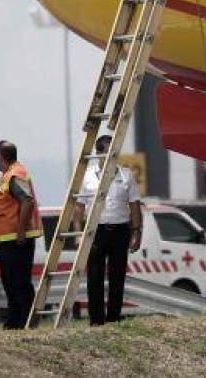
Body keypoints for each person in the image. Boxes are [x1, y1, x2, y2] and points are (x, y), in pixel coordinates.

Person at [73, 135, 142, 326]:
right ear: (98, 153)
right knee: (94, 276)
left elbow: (135, 205)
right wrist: (79, 234)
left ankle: (113, 319)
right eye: (106, 152)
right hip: (95, 232)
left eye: (113, 152)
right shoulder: (86, 177)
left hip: (120, 231)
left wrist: (136, 232)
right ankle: (96, 320)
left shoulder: (126, 174)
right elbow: (78, 208)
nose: (110, 156)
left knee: (117, 276)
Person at [0, 140, 41, 329]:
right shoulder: (8, 175)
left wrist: (20, 231)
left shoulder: (16, 174)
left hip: (16, 239)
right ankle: (15, 321)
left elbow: (26, 201)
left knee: (19, 282)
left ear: (0, 157)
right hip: (7, 239)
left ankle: (25, 321)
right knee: (10, 281)